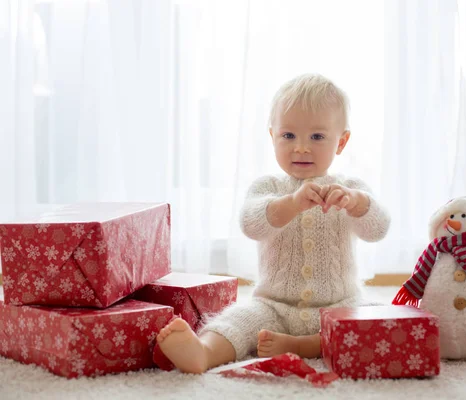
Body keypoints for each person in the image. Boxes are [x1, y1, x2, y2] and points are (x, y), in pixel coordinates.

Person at [156, 73, 390, 374]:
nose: (301, 148)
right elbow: (250, 224)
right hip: (273, 305)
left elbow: (378, 229)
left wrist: (358, 203)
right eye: (288, 136)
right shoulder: (268, 187)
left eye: (317, 137)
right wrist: (292, 204)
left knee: (374, 320)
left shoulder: (350, 188)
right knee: (238, 319)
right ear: (272, 137)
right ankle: (203, 351)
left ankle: (302, 345)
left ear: (341, 142)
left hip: (339, 304)